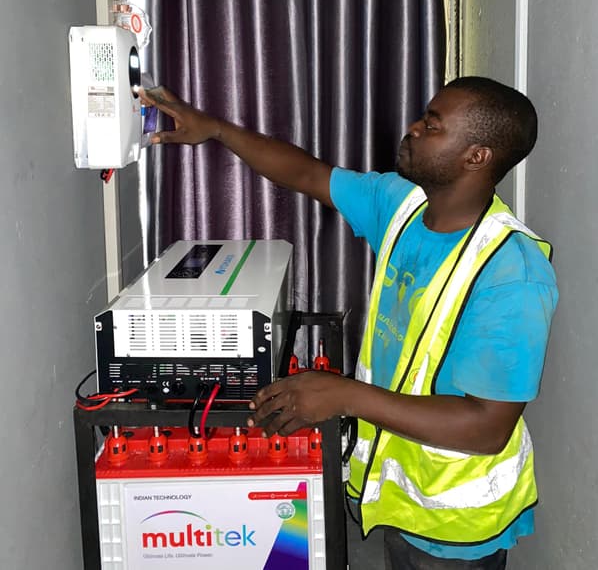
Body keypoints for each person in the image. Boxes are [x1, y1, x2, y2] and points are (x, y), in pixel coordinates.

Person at [139, 77, 557, 570]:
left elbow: (487, 428)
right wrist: (215, 130)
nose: (413, 129)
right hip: (398, 499)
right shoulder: (403, 206)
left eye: (432, 125)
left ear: (476, 157)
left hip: (455, 525)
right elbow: (310, 175)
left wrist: (341, 395)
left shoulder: (512, 276)